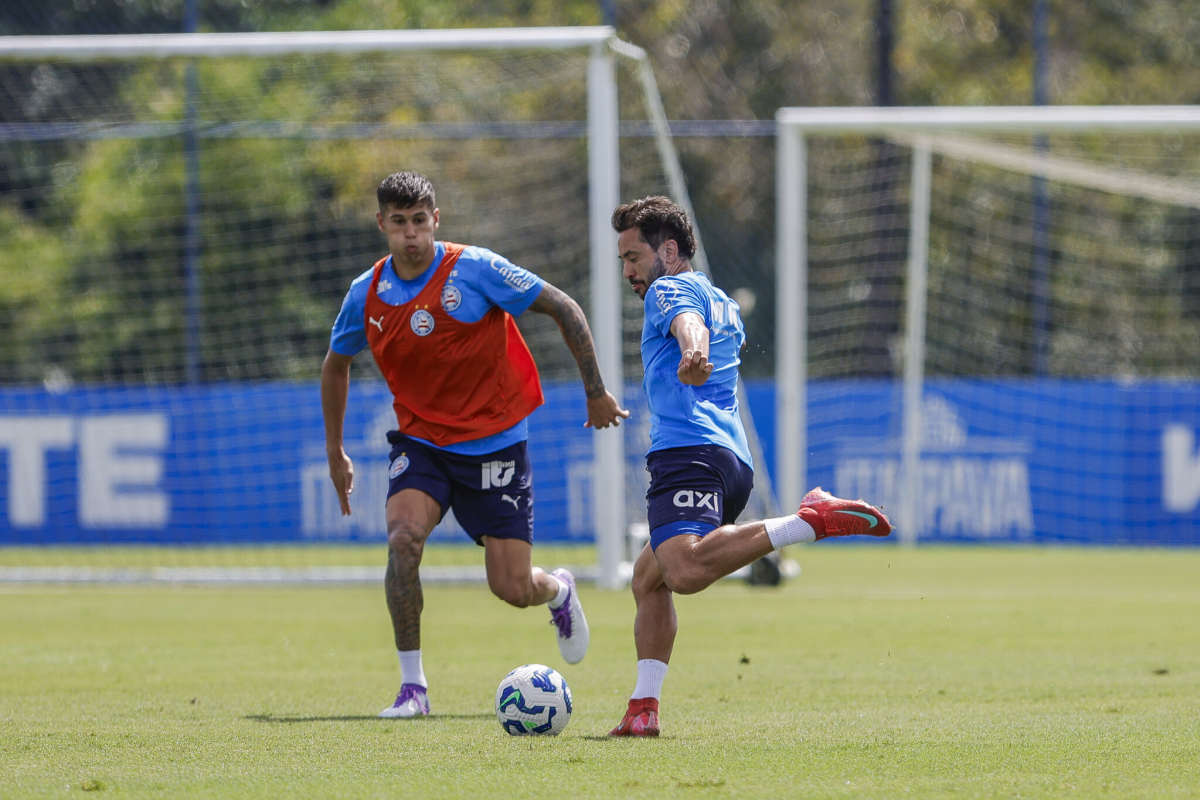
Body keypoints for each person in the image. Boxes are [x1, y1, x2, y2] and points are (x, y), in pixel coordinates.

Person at [322, 171, 629, 719]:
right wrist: (334, 450)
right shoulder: (365, 293)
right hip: (421, 442)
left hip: (495, 445)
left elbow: (563, 306)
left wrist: (596, 391)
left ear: (435, 220)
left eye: (420, 221)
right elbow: (336, 364)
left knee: (512, 587)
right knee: (403, 540)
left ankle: (557, 590)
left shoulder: (476, 268)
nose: (411, 234)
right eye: (399, 223)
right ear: (382, 225)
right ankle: (413, 688)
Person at [608, 196, 892, 737]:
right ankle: (643, 709)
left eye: (633, 257)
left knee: (684, 571)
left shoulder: (672, 290)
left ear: (668, 250)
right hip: (728, 459)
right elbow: (702, 321)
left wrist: (693, 352)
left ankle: (809, 521)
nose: (628, 272)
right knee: (649, 579)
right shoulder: (725, 303)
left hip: (687, 452)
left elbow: (688, 324)